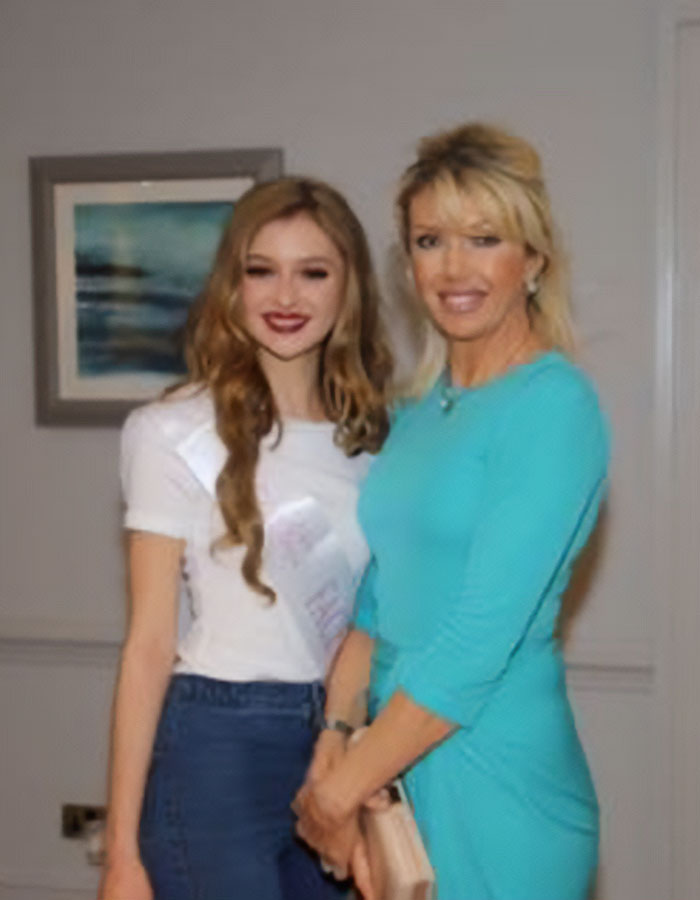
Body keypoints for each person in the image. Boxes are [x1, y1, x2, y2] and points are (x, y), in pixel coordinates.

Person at [294, 123, 610, 900]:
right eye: (431, 240)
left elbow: (477, 639)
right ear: (407, 263)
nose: (455, 267)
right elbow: (374, 607)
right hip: (394, 771)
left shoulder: (553, 405)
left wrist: (342, 788)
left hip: (497, 779)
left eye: (484, 238)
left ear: (533, 259)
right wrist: (335, 741)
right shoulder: (418, 412)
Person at [97, 176, 392, 900]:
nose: (285, 296)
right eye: (261, 270)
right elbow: (147, 647)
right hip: (215, 748)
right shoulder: (171, 433)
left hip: (338, 747)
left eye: (312, 272)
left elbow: (383, 622)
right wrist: (120, 855)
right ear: (232, 284)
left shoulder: (381, 445)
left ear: (348, 287)